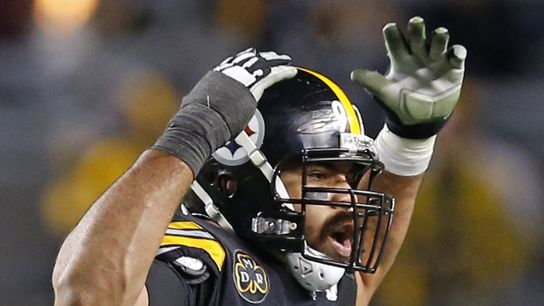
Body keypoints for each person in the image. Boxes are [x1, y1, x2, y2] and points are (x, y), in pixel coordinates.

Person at [52, 16, 467, 306]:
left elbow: (359, 284)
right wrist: (191, 134)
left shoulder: (318, 277)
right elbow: (88, 297)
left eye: (351, 176)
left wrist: (408, 144)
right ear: (235, 181)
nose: (348, 197)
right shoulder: (199, 261)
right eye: (321, 173)